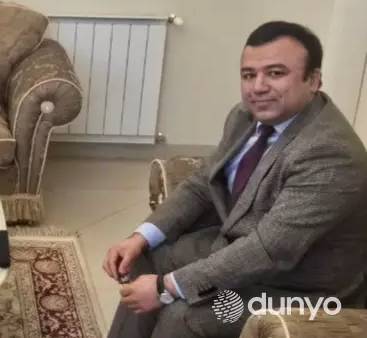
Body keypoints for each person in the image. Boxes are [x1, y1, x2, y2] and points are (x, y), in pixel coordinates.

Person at [104, 21, 367, 338]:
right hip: (237, 248)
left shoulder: (329, 153)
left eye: (275, 73)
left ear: (313, 80)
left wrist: (166, 288)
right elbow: (202, 184)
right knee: (145, 256)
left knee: (183, 315)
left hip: (299, 289)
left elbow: (268, 251)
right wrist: (140, 237)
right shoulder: (244, 116)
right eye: (248, 75)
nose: (258, 87)